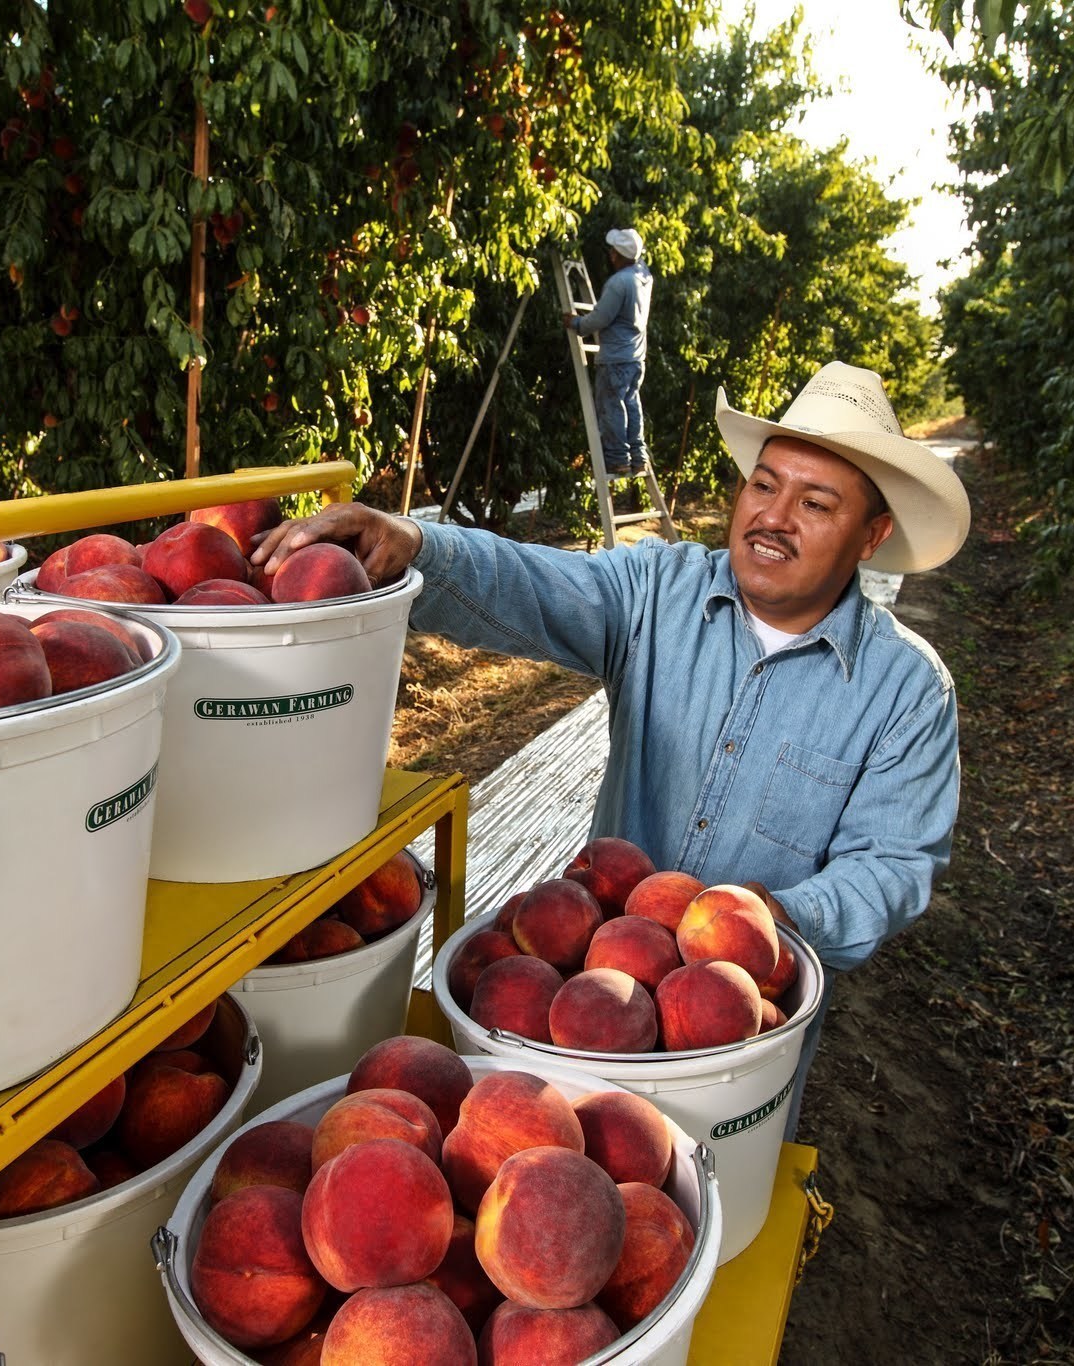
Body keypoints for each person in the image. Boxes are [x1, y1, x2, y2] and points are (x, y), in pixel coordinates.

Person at [253, 362, 968, 1129]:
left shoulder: (906, 691)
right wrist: (416, 542)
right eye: (764, 486)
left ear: (872, 534)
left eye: (816, 502)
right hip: (593, 1004)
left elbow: (892, 868)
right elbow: (533, 583)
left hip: (737, 1046)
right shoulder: (659, 591)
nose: (773, 516)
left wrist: (769, 916)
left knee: (717, 1205)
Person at [566, 228, 654, 478]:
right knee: (631, 404)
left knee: (612, 407)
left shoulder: (619, 282)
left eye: (614, 250)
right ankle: (637, 456)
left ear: (620, 255)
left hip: (615, 358)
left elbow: (601, 318)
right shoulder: (643, 275)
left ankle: (618, 460)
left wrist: (577, 324)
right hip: (635, 357)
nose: (611, 254)